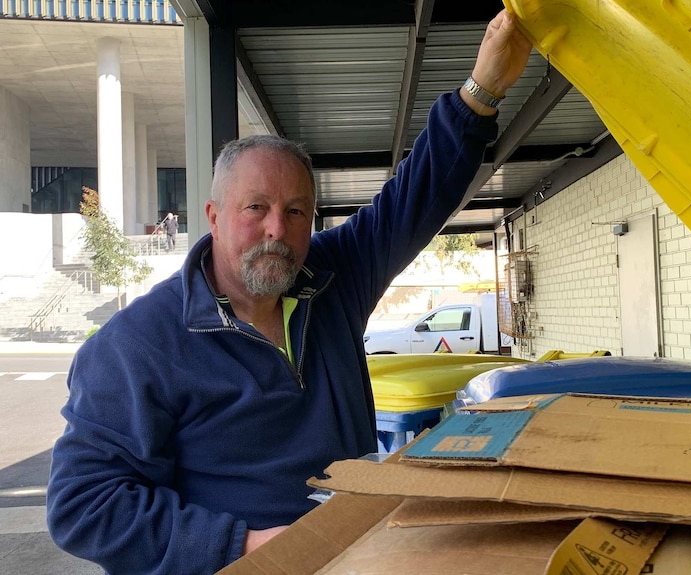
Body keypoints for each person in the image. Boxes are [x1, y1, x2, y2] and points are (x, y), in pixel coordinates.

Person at [46, 10, 531, 575]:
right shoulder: (137, 346)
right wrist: (245, 545)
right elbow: (83, 504)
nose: (278, 229)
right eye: (256, 208)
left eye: (296, 210)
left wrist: (482, 91)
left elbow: (412, 200)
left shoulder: (331, 278)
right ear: (215, 217)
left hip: (355, 553)